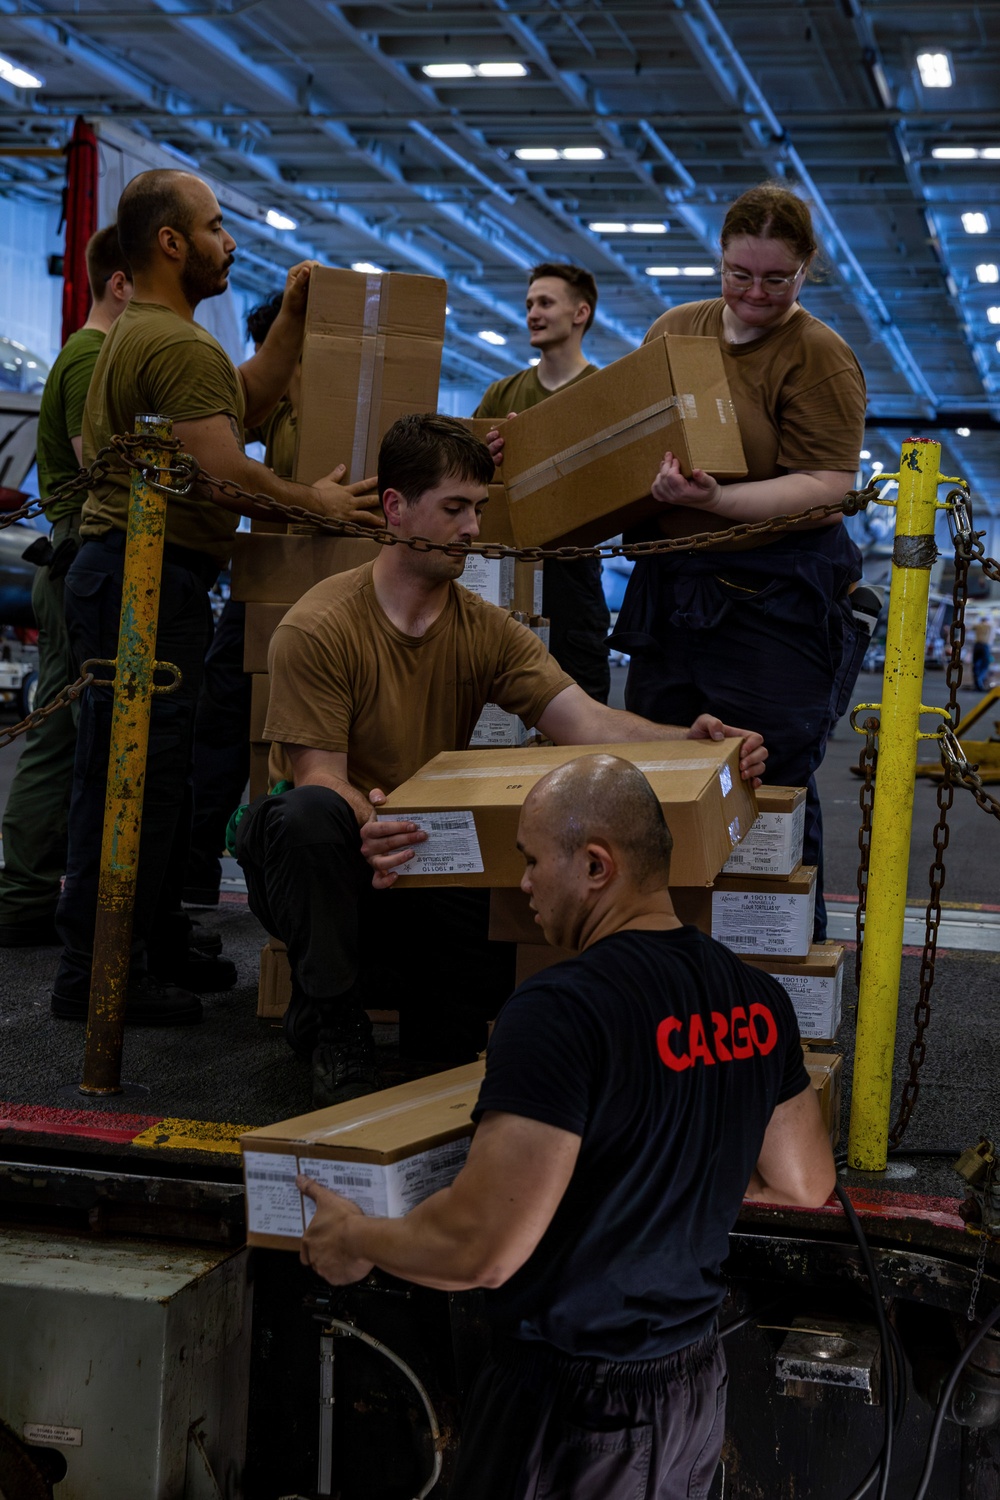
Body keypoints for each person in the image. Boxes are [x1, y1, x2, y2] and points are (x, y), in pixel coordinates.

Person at [298, 753, 835, 1500]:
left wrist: (352, 1239)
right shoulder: (757, 998)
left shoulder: (561, 1009)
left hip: (578, 1412)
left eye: (529, 860)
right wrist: (660, 1161)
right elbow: (803, 1181)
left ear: (594, 865)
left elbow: (481, 1247)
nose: (522, 883)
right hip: (689, 1393)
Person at [234, 412, 767, 1106]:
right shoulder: (320, 625)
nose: (472, 529)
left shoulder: (485, 630)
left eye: (478, 509)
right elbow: (321, 777)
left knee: (457, 1026)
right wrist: (373, 818)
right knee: (304, 817)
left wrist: (692, 740)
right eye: (454, 509)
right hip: (330, 862)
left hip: (425, 863)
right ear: (396, 509)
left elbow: (589, 722)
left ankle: (416, 1017)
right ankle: (334, 1021)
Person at [51, 167, 382, 1028]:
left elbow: (238, 402)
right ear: (172, 243)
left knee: (137, 775)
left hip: (136, 574)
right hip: (143, 580)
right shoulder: (177, 343)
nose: (229, 240)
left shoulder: (152, 333)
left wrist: (296, 321)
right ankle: (98, 972)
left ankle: (145, 940)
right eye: (216, 226)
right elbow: (225, 473)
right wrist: (320, 503)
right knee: (136, 781)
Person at [610, 181, 871, 942]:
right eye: (739, 274)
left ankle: (786, 969)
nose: (755, 294)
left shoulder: (819, 356)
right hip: (678, 591)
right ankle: (667, 958)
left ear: (806, 271)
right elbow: (627, 427)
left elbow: (825, 489)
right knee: (661, 775)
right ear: (719, 260)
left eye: (776, 279)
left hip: (777, 602)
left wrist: (718, 501)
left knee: (770, 786)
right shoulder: (676, 329)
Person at [0, 226, 133, 948]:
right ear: (120, 283)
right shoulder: (90, 356)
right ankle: (22, 893)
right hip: (81, 560)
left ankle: (28, 888)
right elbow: (104, 466)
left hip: (74, 561)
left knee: (62, 734)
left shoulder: (88, 355)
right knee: (59, 738)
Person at [182, 291, 299, 908]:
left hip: (313, 588)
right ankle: (197, 867)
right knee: (219, 723)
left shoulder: (331, 404)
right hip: (260, 585)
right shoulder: (267, 408)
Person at [475, 263, 612, 704]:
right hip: (503, 566)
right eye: (529, 303)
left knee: (581, 693)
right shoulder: (502, 394)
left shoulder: (603, 391)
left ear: (580, 313)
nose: (533, 312)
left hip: (573, 571)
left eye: (546, 303)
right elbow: (465, 473)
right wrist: (487, 459)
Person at [972, 620, 994, 693]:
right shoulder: (989, 626)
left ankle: (977, 683)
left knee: (976, 665)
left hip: (977, 645)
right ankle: (980, 682)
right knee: (984, 666)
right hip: (985, 646)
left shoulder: (978, 626)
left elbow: (969, 628)